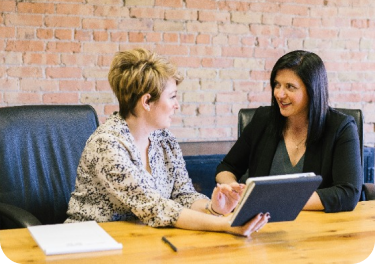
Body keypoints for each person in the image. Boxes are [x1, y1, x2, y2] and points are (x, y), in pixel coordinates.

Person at [65, 48, 269, 237]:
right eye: (172, 97)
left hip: (142, 240)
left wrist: (214, 208)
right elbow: (155, 207)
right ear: (146, 102)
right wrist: (226, 224)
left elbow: (183, 195)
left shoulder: (165, 139)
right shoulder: (107, 145)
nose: (177, 105)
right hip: (89, 242)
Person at [216, 50, 362, 213]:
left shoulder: (341, 127)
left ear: (312, 90)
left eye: (290, 87)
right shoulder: (263, 119)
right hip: (261, 225)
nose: (279, 94)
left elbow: (348, 193)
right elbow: (226, 167)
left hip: (317, 227)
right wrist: (232, 188)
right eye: (277, 85)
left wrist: (276, 200)